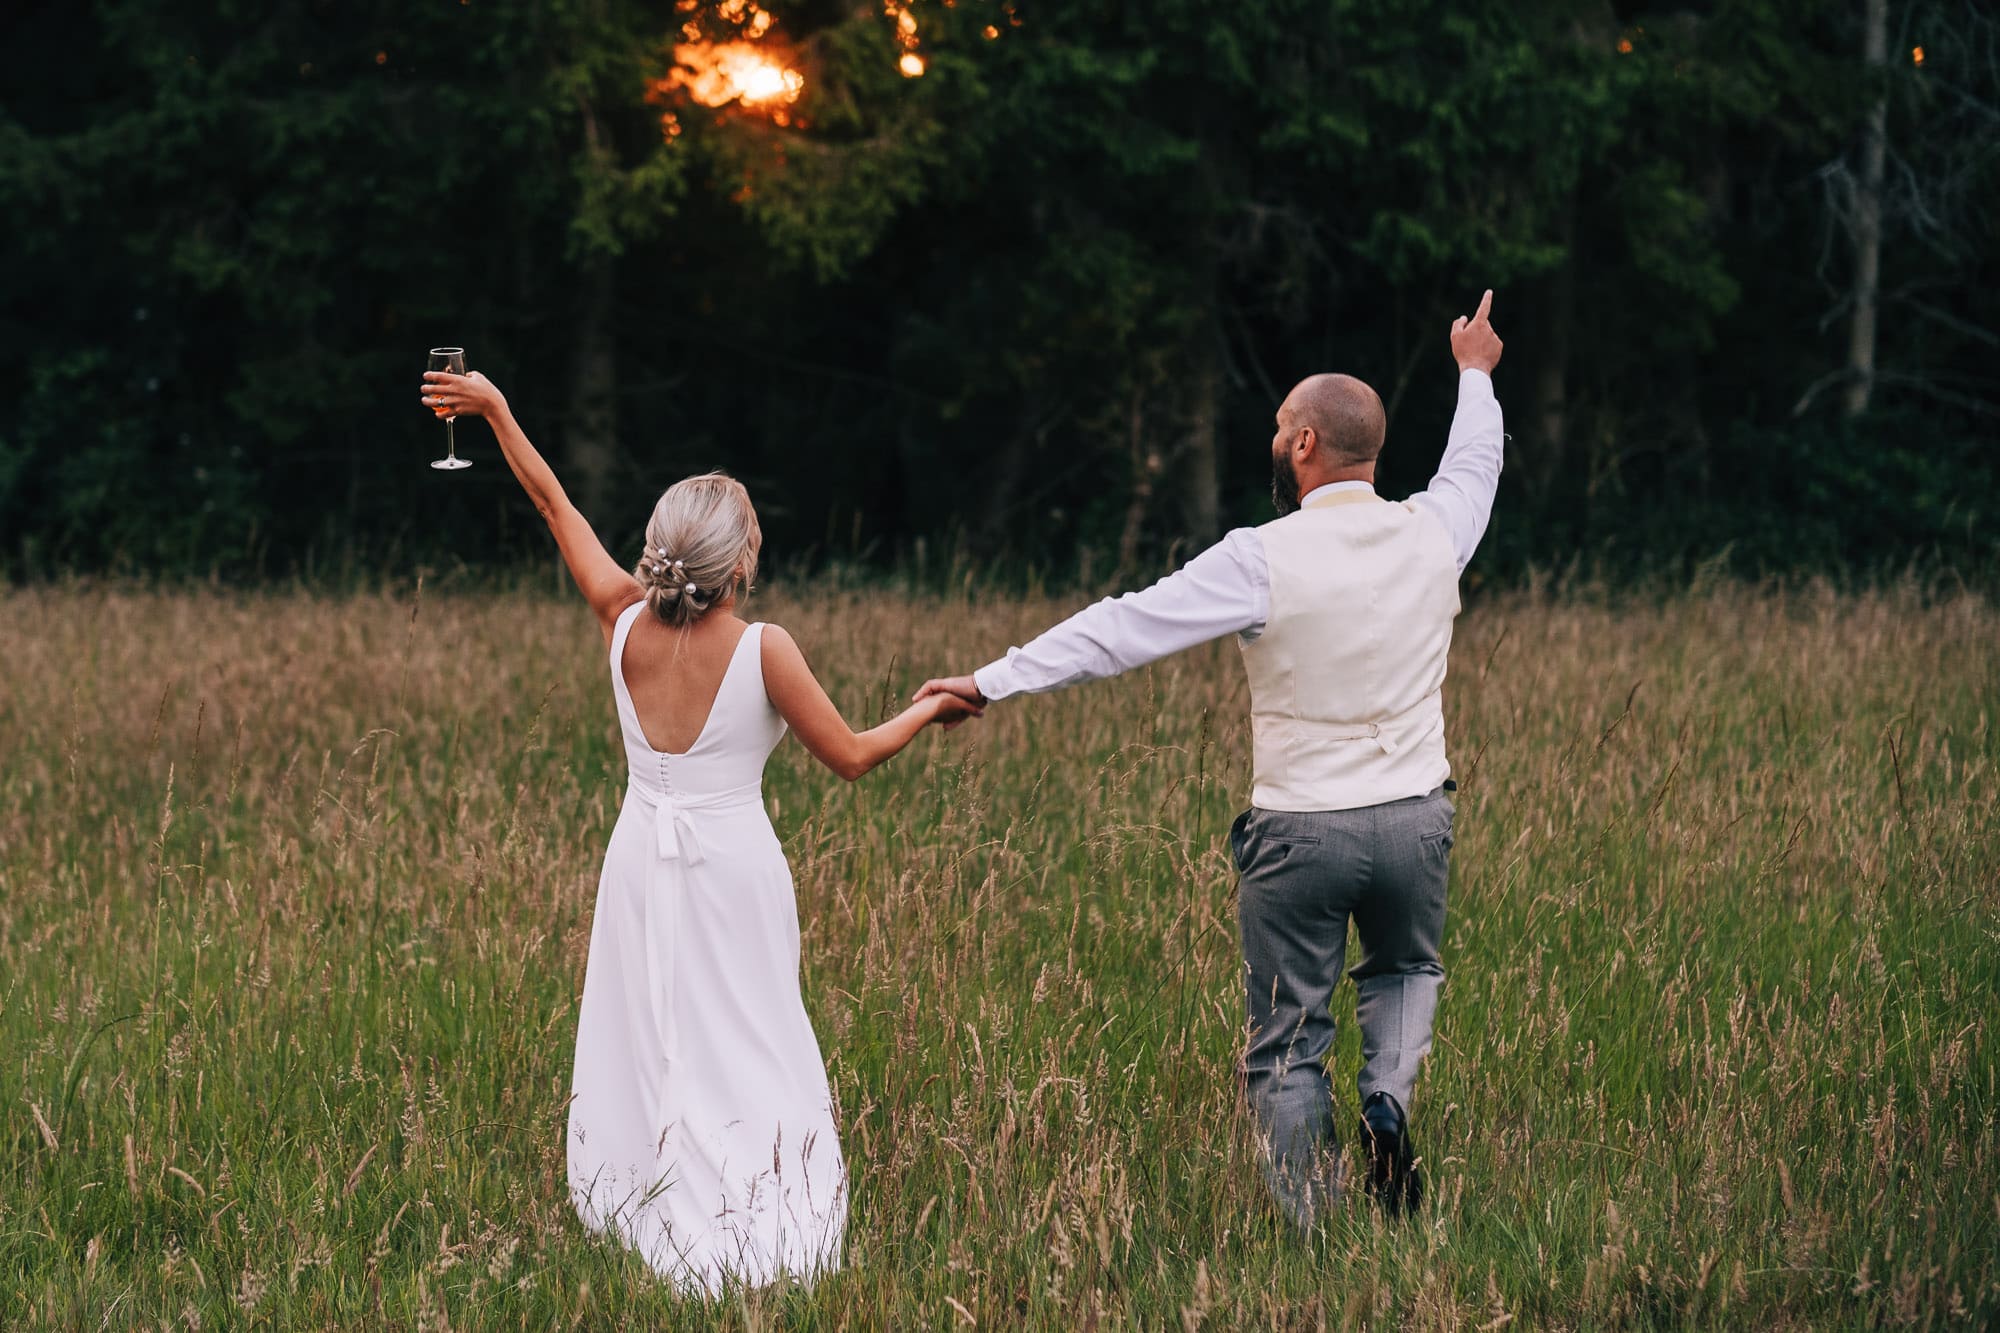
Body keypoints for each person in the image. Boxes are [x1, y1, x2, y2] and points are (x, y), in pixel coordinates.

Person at [916, 291, 1506, 1228]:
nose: (1274, 441)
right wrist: (1474, 372)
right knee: (1406, 971)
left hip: (1299, 833)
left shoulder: (1259, 556)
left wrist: (990, 681)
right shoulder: (1435, 529)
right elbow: (1476, 460)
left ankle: (1319, 1232)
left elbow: (1121, 629)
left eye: (1281, 429)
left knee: (1287, 1046)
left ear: (1306, 444)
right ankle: (1387, 1096)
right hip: (1414, 819)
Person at [418, 370, 981, 1293]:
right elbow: (848, 755)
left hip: (640, 856)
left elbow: (554, 504)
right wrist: (929, 710)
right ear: (739, 562)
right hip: (732, 866)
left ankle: (645, 1189)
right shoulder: (766, 648)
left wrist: (497, 411)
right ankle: (757, 1206)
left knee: (651, 1026)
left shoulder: (621, 621)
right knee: (751, 1027)